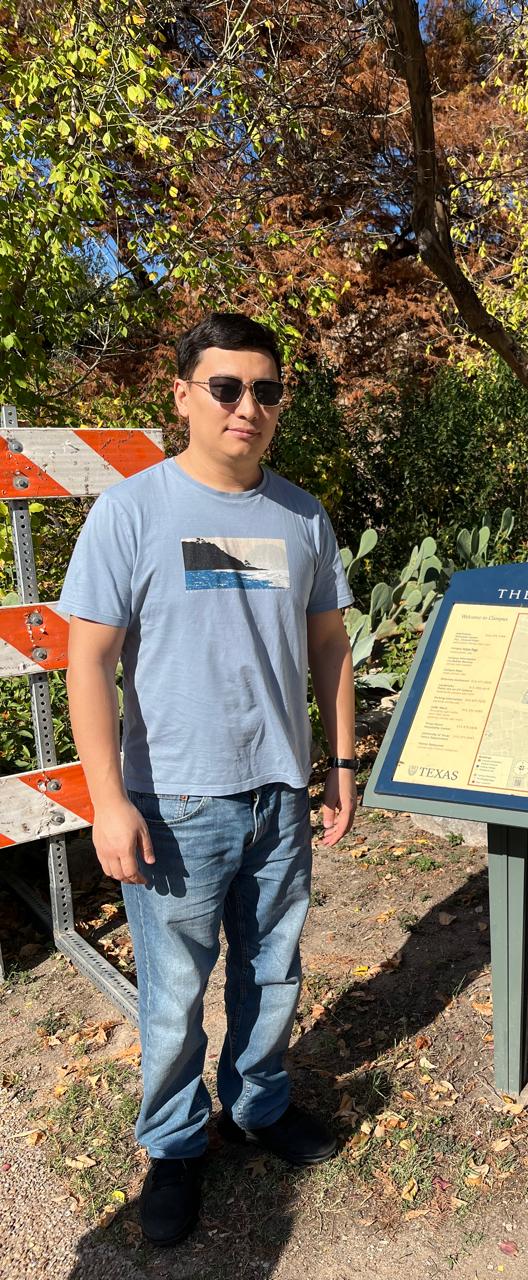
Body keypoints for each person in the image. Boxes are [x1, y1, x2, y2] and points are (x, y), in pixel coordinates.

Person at [61, 312, 357, 1247]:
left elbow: (330, 646)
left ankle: (259, 1108)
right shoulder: (131, 513)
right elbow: (87, 663)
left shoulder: (302, 516)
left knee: (273, 973)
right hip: (173, 803)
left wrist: (340, 763)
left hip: (279, 794)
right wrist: (108, 803)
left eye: (266, 390)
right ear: (183, 395)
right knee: (174, 997)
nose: (246, 407)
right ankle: (175, 1145)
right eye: (226, 387)